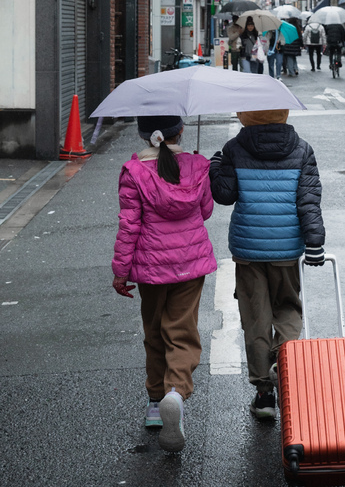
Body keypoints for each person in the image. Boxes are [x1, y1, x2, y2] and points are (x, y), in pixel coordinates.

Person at [209, 110, 325, 419]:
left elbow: (224, 195)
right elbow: (309, 200)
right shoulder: (301, 148)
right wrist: (315, 242)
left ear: (246, 115)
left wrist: (215, 166)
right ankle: (282, 365)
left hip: (249, 249)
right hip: (287, 247)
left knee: (255, 318)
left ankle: (263, 395)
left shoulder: (234, 147)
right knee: (287, 308)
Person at [112, 115, 217, 453]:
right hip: (190, 262)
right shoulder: (197, 164)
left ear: (144, 135)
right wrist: (197, 171)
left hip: (151, 267)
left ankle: (157, 403)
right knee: (183, 332)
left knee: (155, 330)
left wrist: (120, 271)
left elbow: (129, 225)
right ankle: (176, 392)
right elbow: (205, 211)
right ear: (181, 130)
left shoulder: (134, 172)